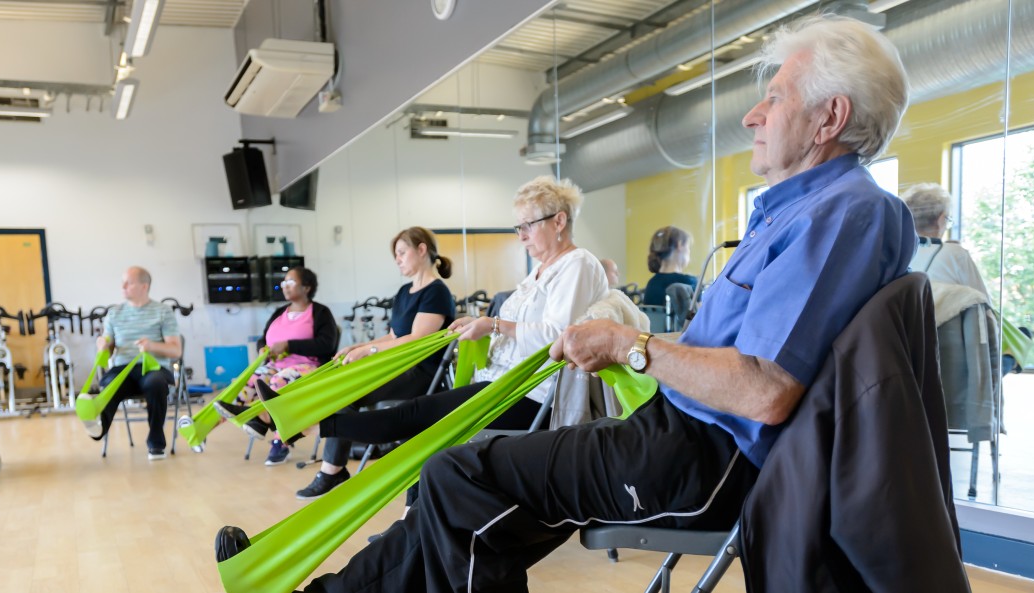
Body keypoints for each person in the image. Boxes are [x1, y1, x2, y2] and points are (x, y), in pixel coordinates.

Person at [226, 15, 917, 592]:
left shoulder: (845, 214)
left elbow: (764, 392)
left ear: (831, 116)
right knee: (454, 497)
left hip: (704, 458)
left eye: (775, 96)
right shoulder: (804, 214)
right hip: (676, 434)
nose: (752, 114)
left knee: (454, 474)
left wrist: (629, 345)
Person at [299, 176, 609, 500]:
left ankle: (314, 426)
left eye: (527, 226)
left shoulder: (577, 264)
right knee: (420, 421)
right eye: (518, 227)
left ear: (559, 220)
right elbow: (513, 326)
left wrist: (491, 325)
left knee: (419, 418)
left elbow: (558, 338)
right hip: (506, 383)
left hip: (533, 394)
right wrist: (482, 324)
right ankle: (407, 513)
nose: (522, 237)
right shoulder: (539, 272)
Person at [291, 227, 456, 499]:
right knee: (340, 380)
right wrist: (358, 347)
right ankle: (299, 426)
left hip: (421, 372)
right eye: (396, 255)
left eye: (402, 253)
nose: (398, 260)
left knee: (347, 392)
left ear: (422, 249)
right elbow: (394, 335)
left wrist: (371, 351)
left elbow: (416, 340)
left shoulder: (436, 292)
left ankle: (331, 470)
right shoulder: (405, 291)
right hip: (397, 366)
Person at [215, 267, 339, 466]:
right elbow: (263, 339)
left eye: (290, 282)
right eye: (284, 283)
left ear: (306, 287)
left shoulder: (321, 312)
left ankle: (276, 436)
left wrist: (289, 345)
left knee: (277, 382)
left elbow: (327, 344)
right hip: (276, 364)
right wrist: (262, 348)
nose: (285, 286)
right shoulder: (279, 312)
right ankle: (249, 416)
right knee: (252, 380)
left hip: (308, 366)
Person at [82, 266, 182, 461]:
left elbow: (176, 350)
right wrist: (104, 345)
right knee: (111, 384)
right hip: (122, 368)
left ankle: (156, 442)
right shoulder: (114, 313)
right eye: (123, 282)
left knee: (155, 383)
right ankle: (98, 427)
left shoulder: (163, 312)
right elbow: (109, 348)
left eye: (129, 282)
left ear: (144, 286)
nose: (123, 286)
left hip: (153, 367)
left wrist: (152, 346)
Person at [903, 182, 993, 304]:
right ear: (941, 220)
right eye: (948, 220)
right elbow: (984, 306)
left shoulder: (899, 254)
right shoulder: (955, 254)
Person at [642, 225, 697, 307]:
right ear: (680, 245)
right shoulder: (689, 283)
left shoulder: (651, 284)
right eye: (688, 247)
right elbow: (703, 318)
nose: (689, 251)